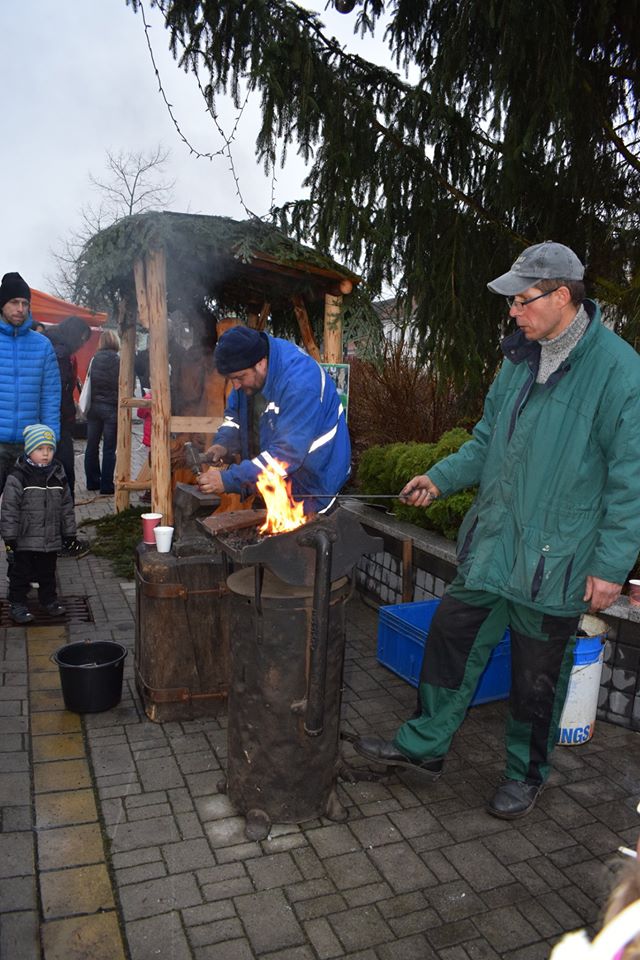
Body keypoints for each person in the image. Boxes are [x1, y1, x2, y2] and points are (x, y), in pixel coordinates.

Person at [354, 241, 640, 819]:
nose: (513, 310)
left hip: (555, 559)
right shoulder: (518, 358)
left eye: (522, 299)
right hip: (494, 547)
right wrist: (439, 478)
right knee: (450, 640)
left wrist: (611, 566)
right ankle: (423, 748)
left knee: (537, 679)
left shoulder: (620, 372)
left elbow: (630, 480)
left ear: (562, 296)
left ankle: (525, 775)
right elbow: (486, 441)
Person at [196, 326, 351, 513]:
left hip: (315, 489)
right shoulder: (248, 370)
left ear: (261, 363)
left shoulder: (300, 384)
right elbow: (234, 418)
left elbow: (285, 457)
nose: (235, 386)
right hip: (274, 485)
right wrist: (223, 444)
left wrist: (229, 480)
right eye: (231, 379)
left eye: (239, 378)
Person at [1, 425, 78, 624]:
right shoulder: (18, 476)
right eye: (40, 449)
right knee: (20, 574)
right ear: (29, 450)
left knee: (48, 573)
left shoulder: (58, 474)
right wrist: (9, 536)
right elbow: (9, 508)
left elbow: (66, 506)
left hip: (50, 538)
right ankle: (17, 604)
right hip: (24, 538)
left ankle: (49, 600)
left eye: (50, 449)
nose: (45, 454)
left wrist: (69, 533)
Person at [0, 272, 61, 493]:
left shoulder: (43, 345)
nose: (20, 309)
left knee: (28, 507)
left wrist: (49, 440)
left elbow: (50, 396)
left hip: (30, 445)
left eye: (25, 303)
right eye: (14, 302)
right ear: (2, 305)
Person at [45, 315, 92, 498]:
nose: (82, 344)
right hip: (57, 422)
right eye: (82, 339)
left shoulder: (57, 348)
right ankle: (65, 509)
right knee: (64, 471)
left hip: (59, 419)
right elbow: (55, 390)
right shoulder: (61, 353)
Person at [84, 329, 120, 496]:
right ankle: (106, 485)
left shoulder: (94, 359)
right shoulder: (119, 360)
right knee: (109, 448)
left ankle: (92, 482)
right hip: (111, 408)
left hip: (94, 407)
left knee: (92, 445)